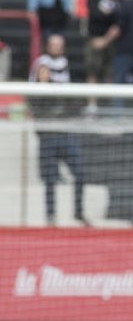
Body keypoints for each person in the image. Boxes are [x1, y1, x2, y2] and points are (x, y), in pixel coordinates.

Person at [28, 34, 86, 227]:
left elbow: (77, 100)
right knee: (50, 178)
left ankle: (79, 212)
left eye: (59, 45)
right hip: (47, 135)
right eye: (52, 44)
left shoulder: (70, 67)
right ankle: (50, 215)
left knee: (80, 172)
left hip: (66, 132)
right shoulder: (39, 72)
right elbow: (33, 104)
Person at [84, 0, 120, 84]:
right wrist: (108, 14)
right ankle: (92, 102)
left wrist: (106, 39)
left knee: (109, 72)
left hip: (111, 40)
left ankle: (107, 101)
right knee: (93, 71)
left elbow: (118, 19)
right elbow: (95, 15)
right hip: (94, 37)